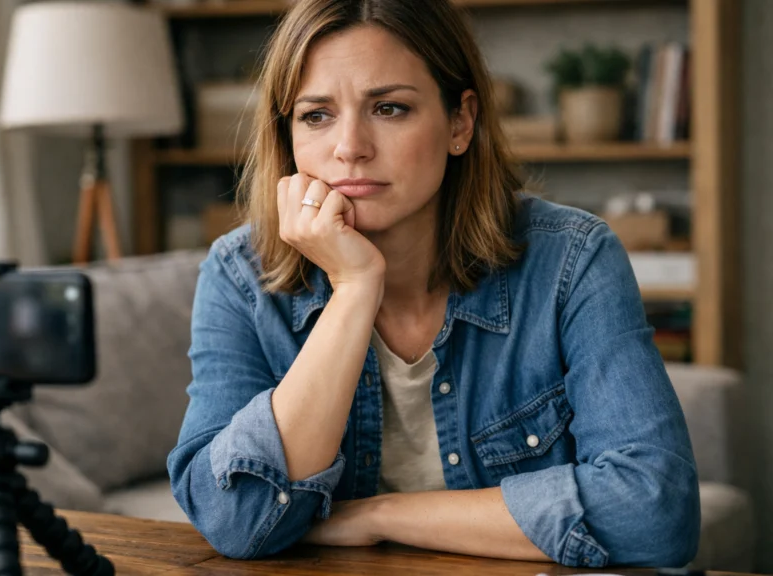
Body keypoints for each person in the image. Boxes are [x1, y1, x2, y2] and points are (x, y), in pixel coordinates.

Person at [166, 0, 700, 568]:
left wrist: (380, 515)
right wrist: (353, 287)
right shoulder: (239, 274)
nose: (350, 147)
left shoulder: (571, 259)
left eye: (389, 108)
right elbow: (234, 520)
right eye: (316, 115)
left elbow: (655, 514)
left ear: (459, 123)